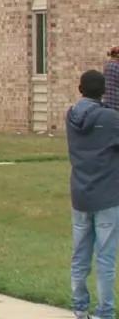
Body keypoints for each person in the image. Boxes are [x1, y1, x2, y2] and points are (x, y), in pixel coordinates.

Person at [66, 69, 119, 319]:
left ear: (80, 89)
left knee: (80, 255)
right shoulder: (111, 118)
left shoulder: (71, 116)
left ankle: (79, 307)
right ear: (103, 91)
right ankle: (105, 311)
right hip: (108, 195)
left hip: (80, 193)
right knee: (105, 258)